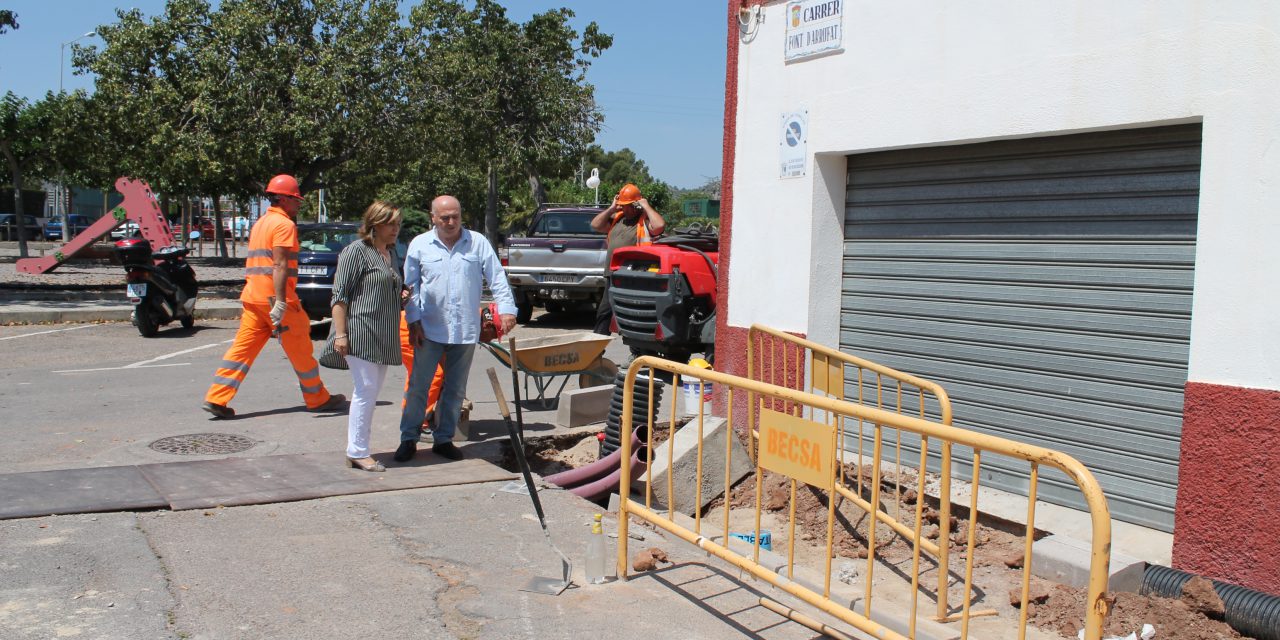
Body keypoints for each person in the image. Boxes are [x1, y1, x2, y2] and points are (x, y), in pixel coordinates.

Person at [202, 174, 345, 418]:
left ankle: (217, 397)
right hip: (276, 299)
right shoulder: (284, 225)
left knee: (242, 350)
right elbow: (279, 265)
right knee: (300, 347)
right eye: (296, 199)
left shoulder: (261, 223)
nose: (299, 204)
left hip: (253, 296)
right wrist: (280, 301)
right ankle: (317, 398)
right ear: (285, 199)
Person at [396, 195, 517, 462]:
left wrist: (507, 309)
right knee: (419, 386)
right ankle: (408, 438)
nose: (451, 222)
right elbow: (410, 288)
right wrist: (413, 321)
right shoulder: (420, 245)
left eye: (456, 217)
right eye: (445, 218)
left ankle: (444, 439)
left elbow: (497, 277)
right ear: (433, 218)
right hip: (428, 329)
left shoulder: (477, 243)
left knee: (455, 388)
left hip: (464, 329)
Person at [331, 201, 404, 472]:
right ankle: (357, 451)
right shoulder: (356, 252)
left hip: (384, 333)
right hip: (361, 331)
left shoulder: (390, 253)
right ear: (375, 224)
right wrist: (341, 335)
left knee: (371, 392)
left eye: (398, 223)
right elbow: (340, 296)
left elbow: (386, 287)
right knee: (365, 391)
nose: (396, 229)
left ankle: (359, 447)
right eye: (391, 223)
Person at [589, 183, 665, 335]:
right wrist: (611, 208)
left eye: (628, 205)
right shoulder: (617, 219)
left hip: (634, 276)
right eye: (623, 205)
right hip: (613, 274)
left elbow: (659, 226)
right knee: (604, 313)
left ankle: (638, 348)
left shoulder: (644, 221)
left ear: (636, 204)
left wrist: (646, 206)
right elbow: (595, 225)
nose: (625, 209)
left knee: (635, 314)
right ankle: (596, 348)